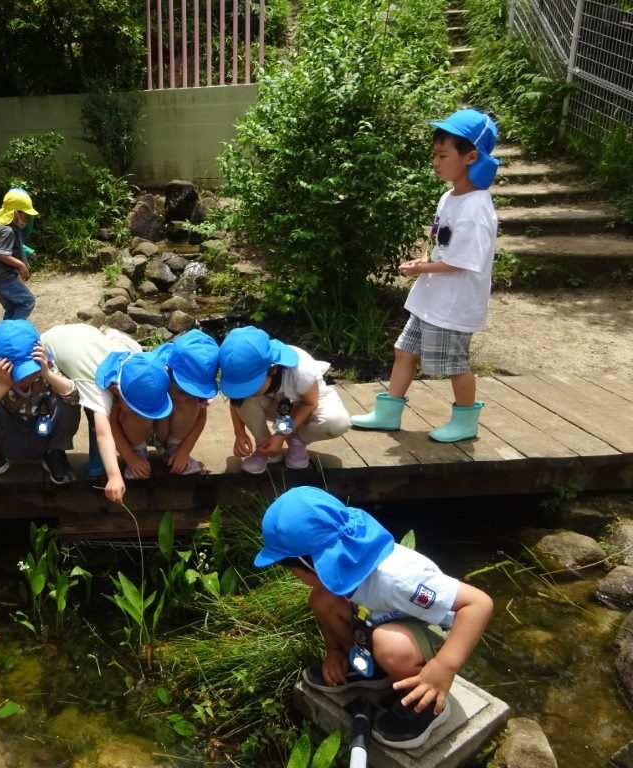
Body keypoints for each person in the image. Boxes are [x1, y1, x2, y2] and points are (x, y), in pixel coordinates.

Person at [254, 486, 493, 750]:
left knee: (390, 645)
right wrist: (334, 651)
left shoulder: (398, 579)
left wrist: (443, 667)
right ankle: (370, 669)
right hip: (381, 620)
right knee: (321, 599)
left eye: (290, 569)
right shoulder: (342, 564)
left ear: (310, 565)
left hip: (432, 632)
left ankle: (426, 704)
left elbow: (478, 603)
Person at [351, 108, 499, 443]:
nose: (435, 162)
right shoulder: (450, 196)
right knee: (404, 351)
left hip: (453, 304)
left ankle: (466, 422)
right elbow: (440, 242)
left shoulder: (476, 207)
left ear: (471, 157)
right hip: (432, 298)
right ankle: (388, 414)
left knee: (455, 364)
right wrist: (423, 259)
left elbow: (464, 261)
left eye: (443, 155)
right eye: (434, 154)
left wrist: (421, 269)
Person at [41, 323, 172, 503]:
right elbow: (104, 434)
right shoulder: (96, 386)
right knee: (92, 408)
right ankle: (83, 455)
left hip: (89, 335)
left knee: (111, 339)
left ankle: (107, 330)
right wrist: (114, 475)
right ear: (117, 391)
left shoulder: (135, 354)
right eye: (137, 411)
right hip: (51, 346)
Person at [0, 319, 81, 488]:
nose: (26, 379)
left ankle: (55, 454)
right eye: (18, 374)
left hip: (43, 438)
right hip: (8, 441)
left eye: (31, 371)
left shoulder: (45, 370)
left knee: (67, 401)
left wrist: (47, 374)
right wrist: (4, 384)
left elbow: (74, 396)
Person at [218, 326, 350, 474]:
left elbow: (310, 403)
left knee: (337, 422)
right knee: (246, 401)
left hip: (309, 405)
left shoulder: (301, 371)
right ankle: (266, 448)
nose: (245, 391)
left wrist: (281, 435)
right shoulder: (248, 374)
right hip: (280, 409)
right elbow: (236, 401)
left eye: (251, 386)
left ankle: (297, 438)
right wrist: (239, 433)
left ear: (272, 369)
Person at [150, 329, 220, 475]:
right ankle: (138, 448)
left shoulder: (198, 384)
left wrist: (184, 450)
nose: (185, 396)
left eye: (192, 393)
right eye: (182, 391)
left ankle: (173, 447)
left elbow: (201, 416)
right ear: (169, 371)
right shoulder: (153, 372)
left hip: (172, 426)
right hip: (150, 424)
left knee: (191, 404)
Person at [0, 188, 38, 320]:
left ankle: (6, 331)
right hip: (3, 278)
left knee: (13, 307)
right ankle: (15, 329)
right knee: (27, 301)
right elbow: (2, 254)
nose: (27, 218)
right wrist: (21, 265)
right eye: (26, 215)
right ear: (16, 213)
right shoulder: (7, 231)